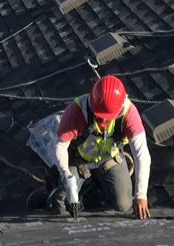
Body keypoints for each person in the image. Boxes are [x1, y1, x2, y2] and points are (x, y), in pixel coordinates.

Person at [52, 76, 150, 219]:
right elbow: (60, 146)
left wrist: (141, 195)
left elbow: (142, 155)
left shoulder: (129, 113)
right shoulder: (77, 111)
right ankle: (55, 194)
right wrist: (66, 174)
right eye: (99, 117)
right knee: (64, 204)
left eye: (108, 117)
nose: (103, 120)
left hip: (108, 159)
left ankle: (97, 182)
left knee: (123, 204)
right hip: (79, 160)